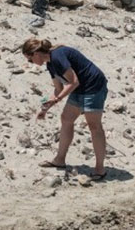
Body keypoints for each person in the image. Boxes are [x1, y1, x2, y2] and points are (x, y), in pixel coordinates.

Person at [22, 38, 109, 180]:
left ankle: (100, 169)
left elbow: (73, 82)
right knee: (66, 119)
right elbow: (58, 89)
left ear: (36, 53)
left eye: (30, 60)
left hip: (93, 86)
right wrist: (45, 108)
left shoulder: (57, 56)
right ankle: (60, 159)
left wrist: (58, 99)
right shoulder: (50, 64)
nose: (30, 63)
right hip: (79, 89)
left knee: (94, 126)